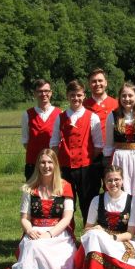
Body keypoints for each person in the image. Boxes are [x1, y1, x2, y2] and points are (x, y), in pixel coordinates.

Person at [0, 149, 76, 269]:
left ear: (56, 165)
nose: (46, 166)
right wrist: (29, 231)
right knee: (34, 246)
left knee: (60, 252)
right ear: (38, 165)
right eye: (43, 162)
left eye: (50, 162)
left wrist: (50, 234)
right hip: (36, 229)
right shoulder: (29, 188)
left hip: (59, 232)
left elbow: (67, 218)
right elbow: (24, 218)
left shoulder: (65, 187)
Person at [75, 165, 135, 269]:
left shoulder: (132, 201)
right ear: (104, 182)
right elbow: (87, 229)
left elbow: (130, 233)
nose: (113, 183)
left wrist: (111, 237)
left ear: (122, 180)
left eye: (117, 179)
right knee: (93, 235)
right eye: (109, 180)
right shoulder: (97, 200)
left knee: (130, 264)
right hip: (100, 240)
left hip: (122, 240)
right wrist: (99, 232)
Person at [50, 80, 104, 224]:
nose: (76, 98)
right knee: (66, 203)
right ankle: (68, 235)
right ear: (67, 96)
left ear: (84, 96)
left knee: (88, 203)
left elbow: (98, 145)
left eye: (79, 95)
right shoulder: (60, 117)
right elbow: (54, 143)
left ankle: (89, 234)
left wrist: (86, 160)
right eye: (72, 95)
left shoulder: (92, 117)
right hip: (65, 167)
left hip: (86, 168)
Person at [21, 78, 62, 180]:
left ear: (51, 93)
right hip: (33, 162)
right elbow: (26, 141)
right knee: (32, 193)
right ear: (35, 94)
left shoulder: (59, 114)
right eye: (40, 91)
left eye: (46, 91)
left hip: (53, 163)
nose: (44, 94)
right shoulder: (27, 114)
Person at [84, 68, 119, 184]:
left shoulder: (116, 104)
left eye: (100, 80)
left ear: (106, 82)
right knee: (90, 191)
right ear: (89, 84)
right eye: (94, 81)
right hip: (91, 155)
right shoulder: (83, 105)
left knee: (112, 189)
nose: (97, 84)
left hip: (111, 153)